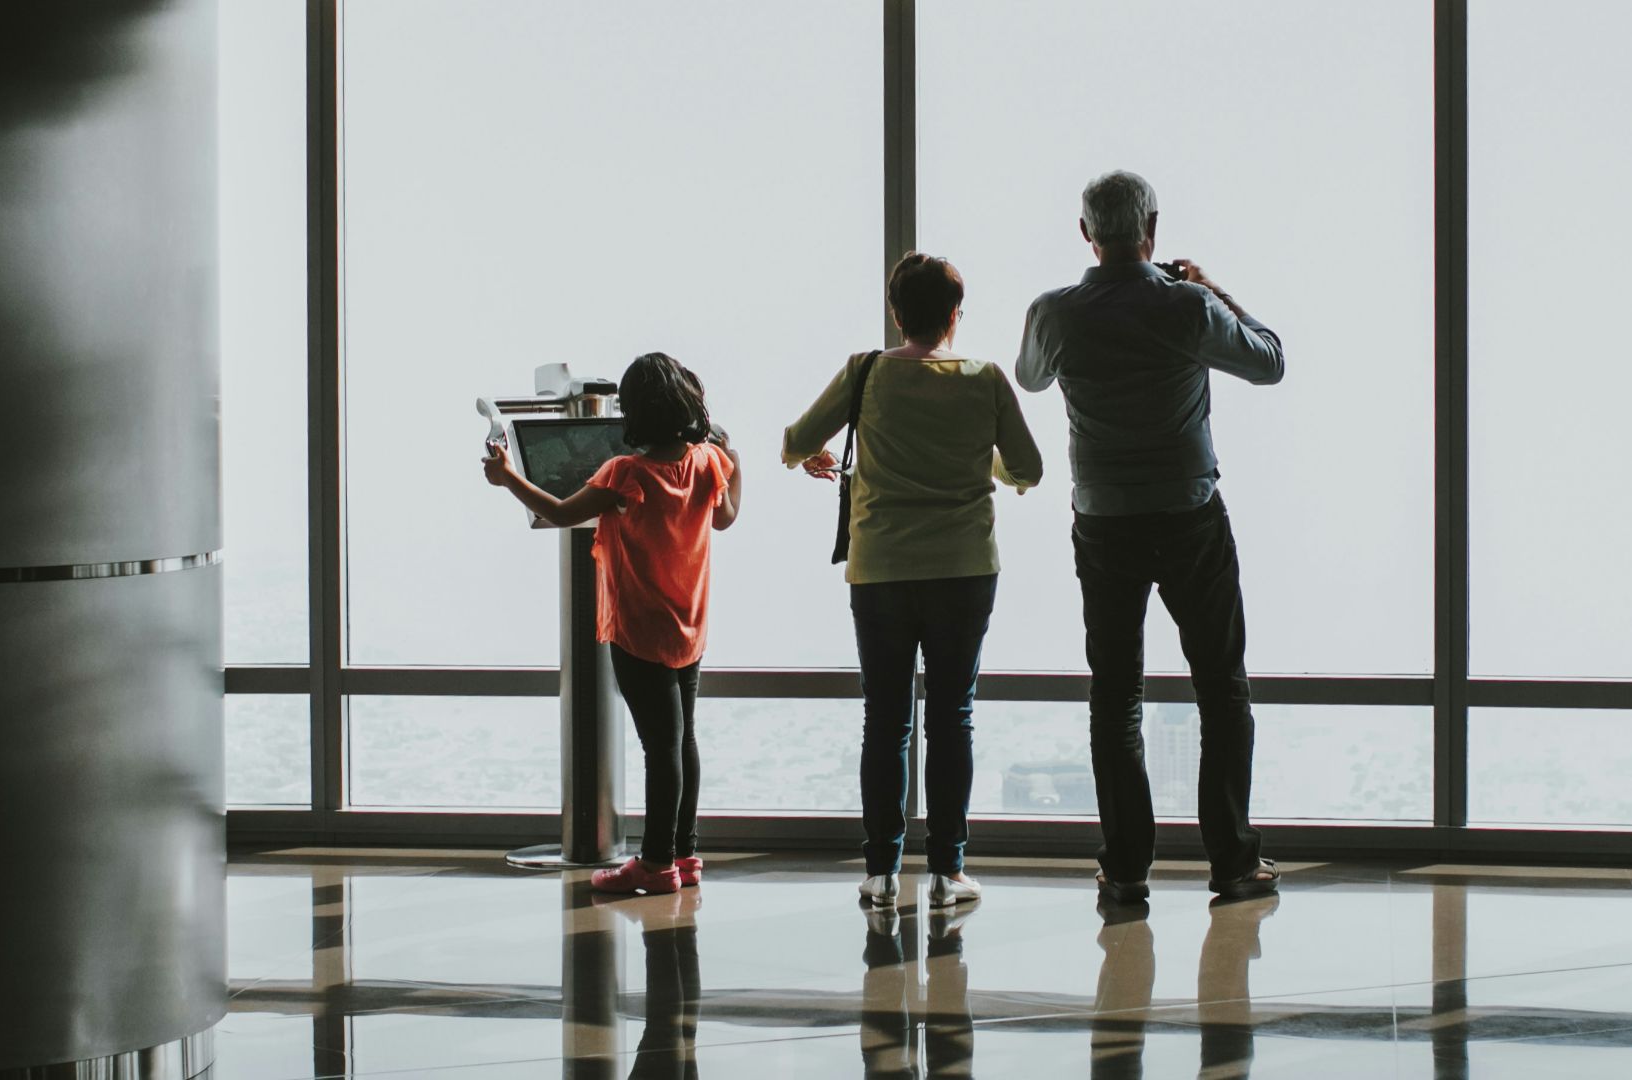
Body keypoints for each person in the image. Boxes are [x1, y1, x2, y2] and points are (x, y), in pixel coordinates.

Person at [1015, 170, 1285, 905]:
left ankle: (1127, 865)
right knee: (1222, 689)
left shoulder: (1055, 314)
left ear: (1085, 235)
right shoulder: (1188, 306)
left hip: (1104, 521)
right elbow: (1270, 362)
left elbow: (1030, 379)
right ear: (1152, 230)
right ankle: (1232, 861)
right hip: (1189, 515)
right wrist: (1213, 288)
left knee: (1115, 696)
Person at [784, 252, 1044, 909]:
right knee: (952, 718)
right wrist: (985, 465)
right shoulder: (983, 379)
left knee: (886, 720)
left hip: (880, 573)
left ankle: (879, 873)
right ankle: (948, 873)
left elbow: (793, 439)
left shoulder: (864, 373)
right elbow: (1029, 468)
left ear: (896, 313)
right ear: (956, 315)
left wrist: (808, 456)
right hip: (963, 568)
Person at [483, 352, 742, 895]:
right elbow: (725, 516)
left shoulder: (625, 473)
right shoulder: (707, 463)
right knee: (683, 741)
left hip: (639, 631)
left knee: (659, 748)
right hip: (689, 624)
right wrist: (733, 457)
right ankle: (685, 853)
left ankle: (654, 864)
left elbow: (558, 512)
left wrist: (508, 478)